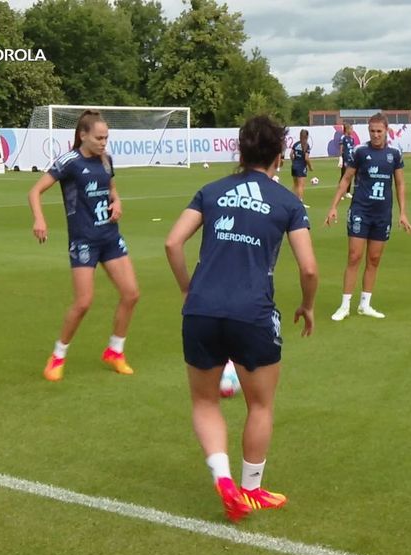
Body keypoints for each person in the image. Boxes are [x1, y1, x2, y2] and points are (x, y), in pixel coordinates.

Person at [164, 115, 318, 522]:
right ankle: (249, 489)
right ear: (279, 155)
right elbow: (309, 269)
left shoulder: (211, 190)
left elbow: (173, 242)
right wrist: (308, 304)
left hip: (201, 309)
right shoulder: (287, 201)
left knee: (204, 400)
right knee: (260, 405)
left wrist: (187, 288)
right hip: (253, 313)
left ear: (240, 150)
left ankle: (223, 478)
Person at [28, 109, 140, 382]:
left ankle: (115, 350)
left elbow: (112, 190)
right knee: (83, 302)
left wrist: (118, 202)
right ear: (83, 135)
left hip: (110, 237)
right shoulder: (69, 162)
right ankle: (58, 355)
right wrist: (39, 219)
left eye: (106, 138)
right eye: (99, 137)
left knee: (131, 294)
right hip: (84, 240)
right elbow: (35, 191)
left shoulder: (105, 160)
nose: (104, 142)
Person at [325, 112, 411, 321]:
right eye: (372, 131)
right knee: (354, 257)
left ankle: (365, 304)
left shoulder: (395, 154)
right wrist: (333, 206)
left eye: (379, 131)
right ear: (368, 131)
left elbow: (400, 183)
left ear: (386, 131)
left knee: (374, 259)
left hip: (382, 214)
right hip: (360, 211)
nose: (375, 135)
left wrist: (402, 213)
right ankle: (345, 305)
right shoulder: (360, 152)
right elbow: (346, 179)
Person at [290, 128, 312, 207]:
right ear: (306, 136)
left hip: (294, 166)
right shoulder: (306, 145)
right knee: (301, 185)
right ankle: (300, 202)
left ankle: (292, 201)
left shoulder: (296, 144)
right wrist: (310, 166)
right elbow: (306, 158)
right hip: (301, 166)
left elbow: (291, 154)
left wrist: (294, 162)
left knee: (295, 184)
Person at [338, 122, 355, 199]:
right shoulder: (343, 138)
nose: (352, 130)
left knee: (350, 175)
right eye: (351, 129)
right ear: (347, 129)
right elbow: (341, 148)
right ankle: (340, 193)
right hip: (345, 158)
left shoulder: (351, 138)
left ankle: (347, 192)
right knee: (343, 175)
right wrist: (340, 158)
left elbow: (352, 148)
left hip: (350, 159)